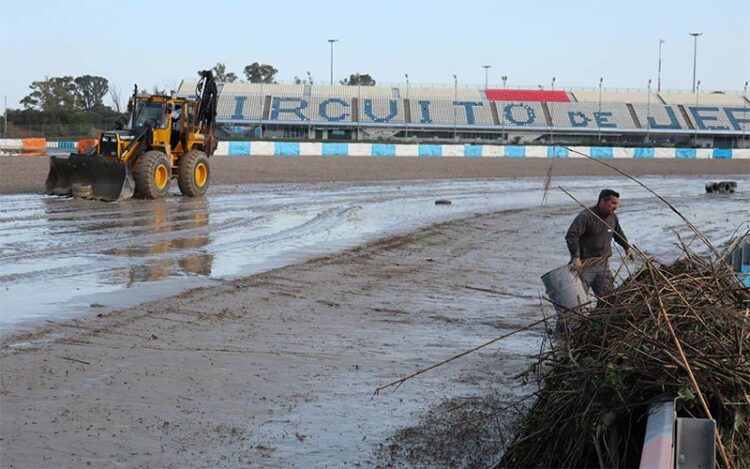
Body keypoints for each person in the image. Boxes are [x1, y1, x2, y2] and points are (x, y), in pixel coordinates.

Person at [565, 189, 631, 296]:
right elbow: (572, 235)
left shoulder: (613, 217)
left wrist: (627, 247)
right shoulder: (586, 216)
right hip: (584, 266)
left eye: (617, 204)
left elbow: (618, 234)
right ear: (602, 201)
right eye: (613, 203)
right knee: (578, 298)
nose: (616, 207)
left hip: (603, 265)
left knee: (607, 298)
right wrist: (575, 257)